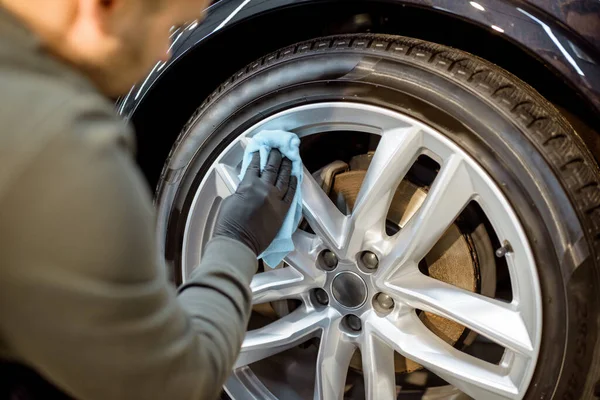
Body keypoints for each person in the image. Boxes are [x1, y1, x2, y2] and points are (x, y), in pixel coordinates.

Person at [0, 0, 297, 399]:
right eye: (170, 25)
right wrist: (237, 240)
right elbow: (175, 385)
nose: (165, 53)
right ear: (103, 6)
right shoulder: (57, 149)